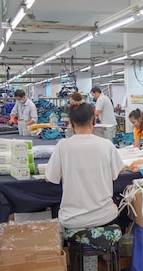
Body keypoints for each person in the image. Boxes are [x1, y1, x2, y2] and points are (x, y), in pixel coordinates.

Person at [45, 93, 129, 229]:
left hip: (73, 220)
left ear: (71, 123)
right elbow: (120, 171)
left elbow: (50, 178)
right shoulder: (106, 145)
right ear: (94, 121)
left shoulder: (63, 145)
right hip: (105, 216)